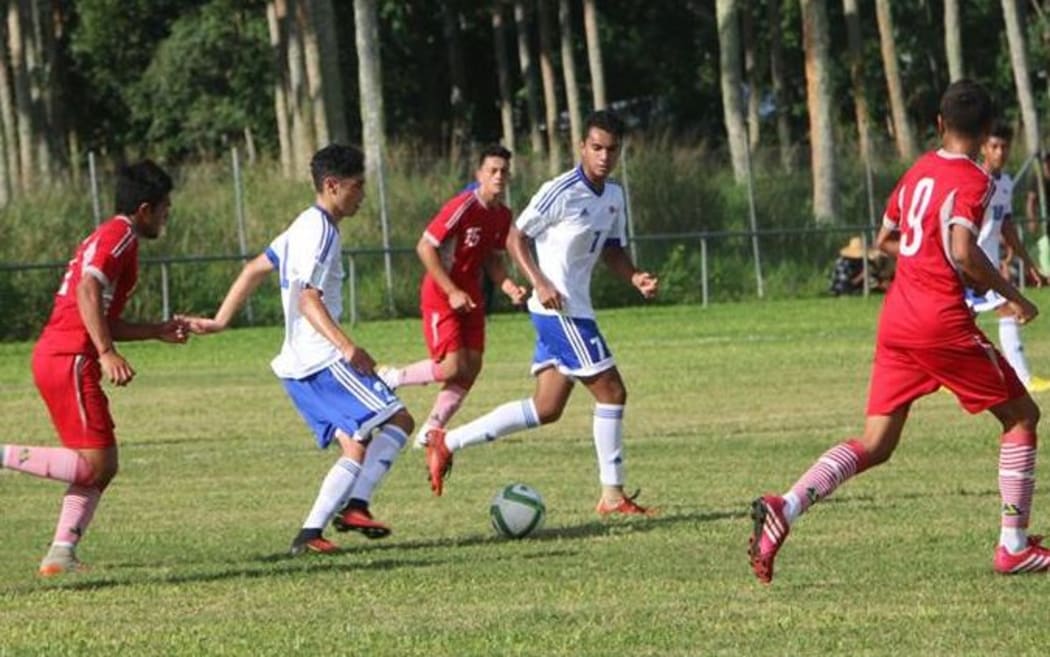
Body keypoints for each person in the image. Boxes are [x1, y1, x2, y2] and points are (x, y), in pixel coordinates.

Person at [748, 80, 1050, 583]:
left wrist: (925, 255)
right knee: (1022, 416)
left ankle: (788, 505)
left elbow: (887, 238)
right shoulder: (975, 180)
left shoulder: (918, 172)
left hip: (898, 319)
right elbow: (963, 251)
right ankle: (1014, 548)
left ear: (939, 124)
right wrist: (1013, 295)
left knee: (876, 442)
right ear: (985, 132)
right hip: (939, 322)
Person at [424, 110, 660, 516]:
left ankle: (448, 440)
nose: (604, 156)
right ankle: (612, 496)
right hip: (559, 311)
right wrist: (540, 282)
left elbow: (611, 249)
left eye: (612, 149)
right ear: (582, 147)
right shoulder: (560, 190)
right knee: (612, 392)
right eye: (596, 147)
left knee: (546, 408)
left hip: (577, 309)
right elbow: (515, 236)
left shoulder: (614, 196)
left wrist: (635, 276)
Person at [183, 144, 415, 554]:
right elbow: (309, 299)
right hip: (322, 359)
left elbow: (254, 268)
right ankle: (356, 505)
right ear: (333, 185)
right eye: (357, 186)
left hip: (295, 365)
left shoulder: (301, 225)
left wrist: (220, 320)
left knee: (354, 445)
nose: (362, 195)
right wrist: (348, 347)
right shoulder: (322, 231)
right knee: (399, 419)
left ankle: (309, 535)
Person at [1, 161, 189, 576]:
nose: (167, 216)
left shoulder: (114, 236)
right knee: (96, 465)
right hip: (70, 357)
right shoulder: (120, 235)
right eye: (165, 208)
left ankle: (61, 553)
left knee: (98, 466)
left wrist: (155, 330)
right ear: (145, 209)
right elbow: (88, 289)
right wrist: (106, 352)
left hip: (63, 356)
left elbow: (101, 314)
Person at [375, 145, 528, 449]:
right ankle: (393, 377)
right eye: (492, 171)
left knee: (472, 366)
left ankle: (431, 429)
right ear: (479, 174)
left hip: (470, 295)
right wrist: (452, 291)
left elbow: (492, 258)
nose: (499, 176)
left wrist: (509, 286)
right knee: (451, 367)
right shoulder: (463, 206)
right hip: (441, 294)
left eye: (504, 171)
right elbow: (425, 247)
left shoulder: (502, 215)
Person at [967, 121, 1050, 392]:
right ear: (983, 148)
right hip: (969, 263)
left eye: (1004, 147)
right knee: (1008, 310)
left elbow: (1006, 225)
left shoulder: (1004, 183)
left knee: (962, 321)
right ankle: (1023, 378)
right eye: (994, 146)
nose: (1000, 152)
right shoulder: (973, 180)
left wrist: (1027, 262)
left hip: (987, 263)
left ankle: (939, 375)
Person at [1025, 152, 1050, 273]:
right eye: (1047, 164)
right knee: (1044, 245)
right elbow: (1031, 200)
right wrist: (1032, 219)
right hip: (1044, 220)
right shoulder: (1038, 180)